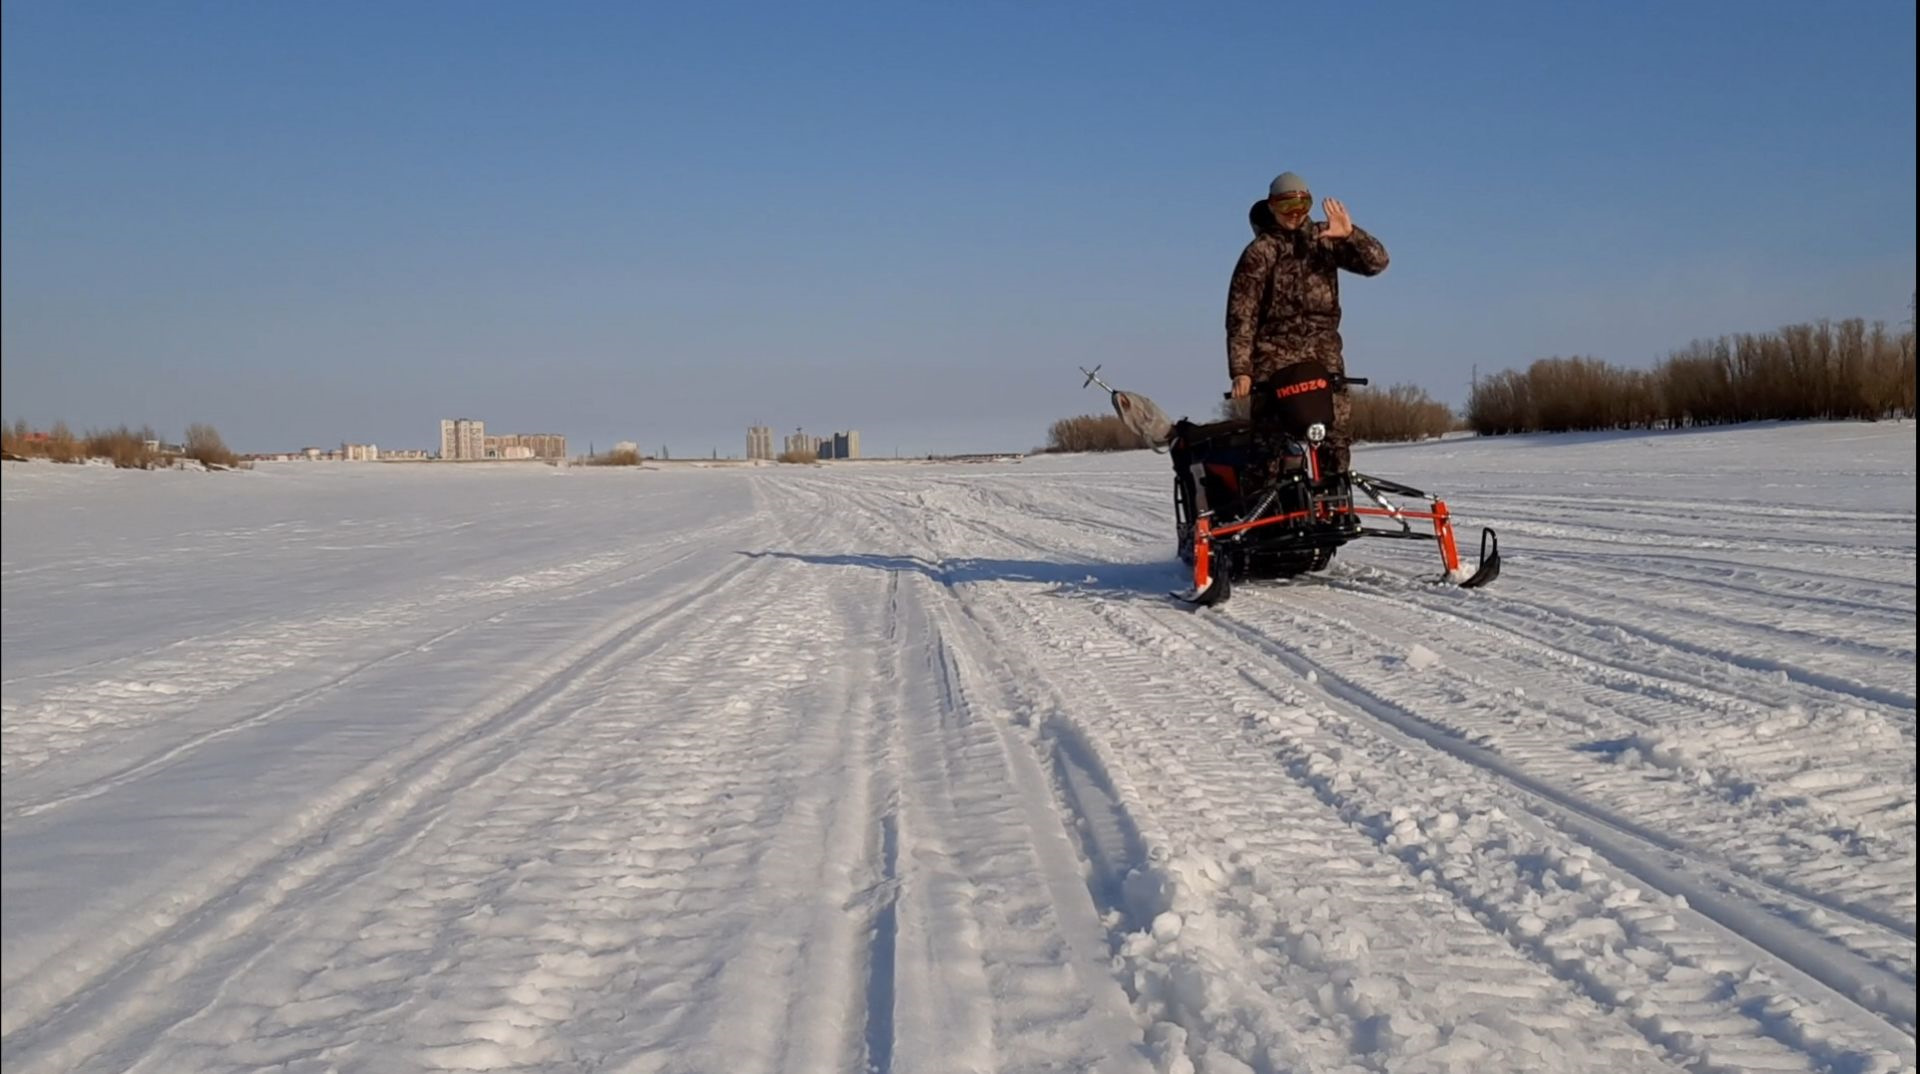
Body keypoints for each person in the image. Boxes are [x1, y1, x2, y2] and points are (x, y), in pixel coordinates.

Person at [1225, 171, 1389, 470]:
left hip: (1323, 353)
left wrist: (1351, 235)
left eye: (1303, 205)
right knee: (1269, 446)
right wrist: (1242, 371)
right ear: (1272, 206)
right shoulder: (1260, 253)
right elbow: (1241, 315)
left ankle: (1336, 509)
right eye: (1287, 206)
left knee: (1334, 438)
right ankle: (1274, 507)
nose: (1295, 214)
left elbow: (1377, 262)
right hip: (1273, 356)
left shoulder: (1325, 239)